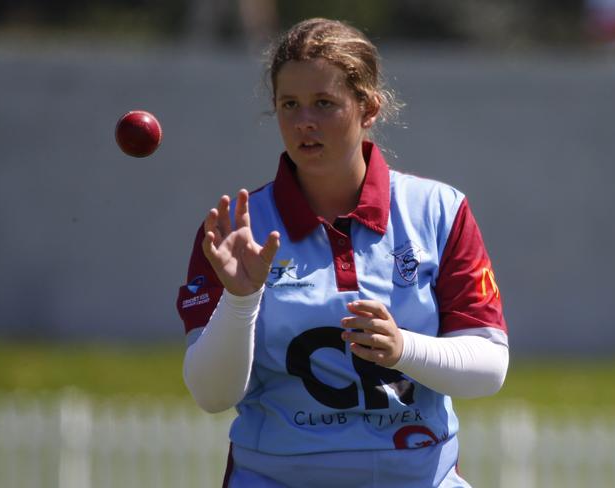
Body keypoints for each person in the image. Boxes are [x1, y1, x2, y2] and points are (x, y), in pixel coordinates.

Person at [177, 18, 509, 488]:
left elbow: (490, 368)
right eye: (289, 105)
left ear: (368, 108)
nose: (303, 122)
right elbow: (211, 395)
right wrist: (240, 299)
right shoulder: (238, 229)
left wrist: (403, 348)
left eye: (324, 103)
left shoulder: (438, 209)